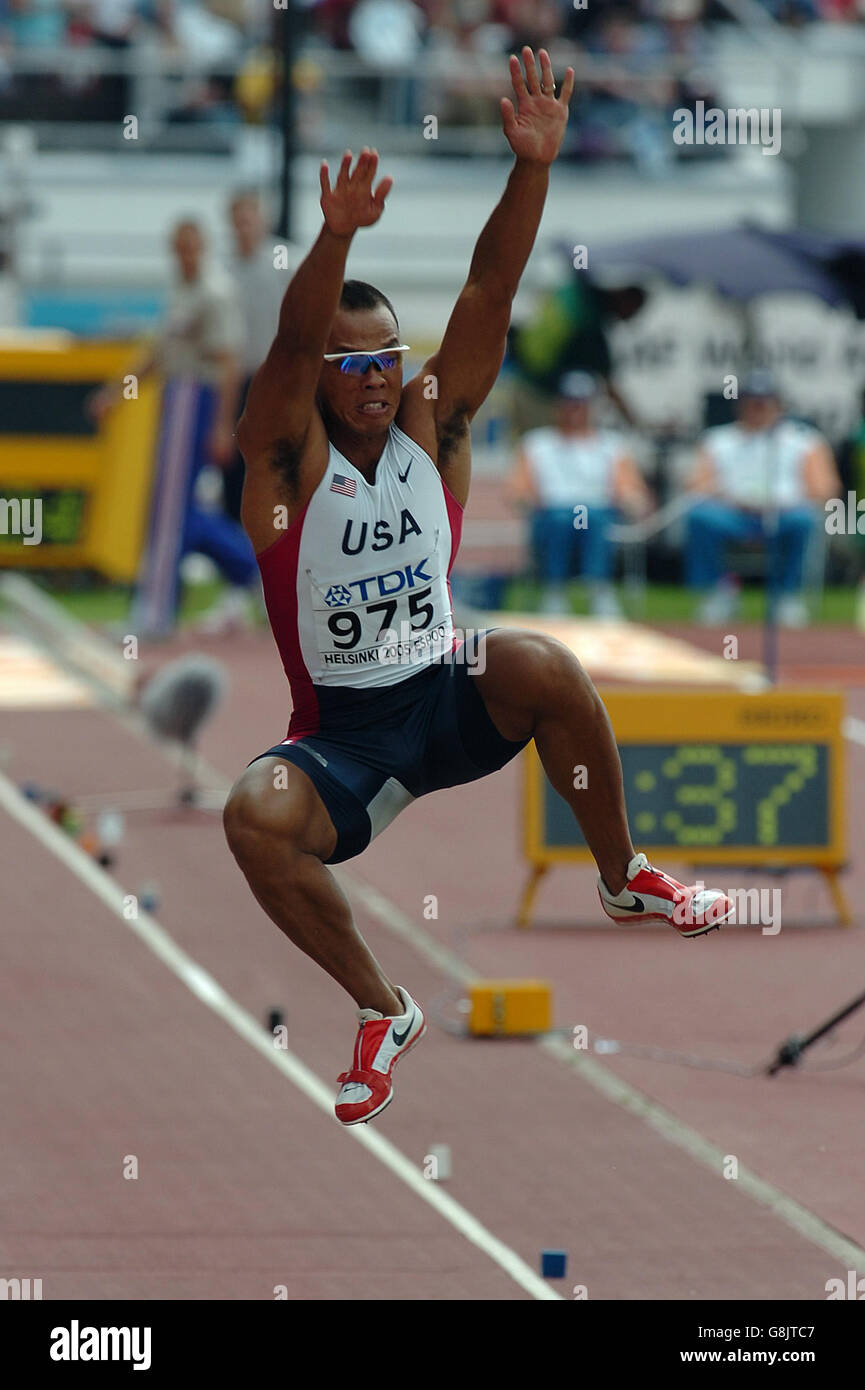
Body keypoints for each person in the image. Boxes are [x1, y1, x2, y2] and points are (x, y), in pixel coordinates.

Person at [222, 48, 732, 1129]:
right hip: (346, 741)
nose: (373, 378)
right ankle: (380, 1009)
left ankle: (622, 871)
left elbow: (489, 288)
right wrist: (335, 238)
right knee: (252, 815)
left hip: (445, 699)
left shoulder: (433, 427)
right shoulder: (281, 474)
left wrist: (532, 170)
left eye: (386, 359)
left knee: (542, 661)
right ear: (320, 378)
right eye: (350, 363)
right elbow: (286, 347)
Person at [89, 219, 260, 637]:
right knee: (180, 511)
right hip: (177, 395)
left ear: (203, 248)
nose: (186, 254)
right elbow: (160, 353)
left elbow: (229, 361)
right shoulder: (181, 291)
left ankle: (156, 611)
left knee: (169, 510)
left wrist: (223, 427)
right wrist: (117, 393)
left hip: (195, 397)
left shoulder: (214, 291)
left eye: (193, 247)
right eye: (179, 247)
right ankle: (257, 568)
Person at [685, 371, 840, 627]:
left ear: (778, 404)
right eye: (752, 401)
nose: (758, 408)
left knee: (804, 520)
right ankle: (718, 592)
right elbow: (696, 486)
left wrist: (785, 502)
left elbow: (826, 488)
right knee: (700, 517)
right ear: (740, 404)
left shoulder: (804, 440)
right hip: (732, 513)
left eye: (764, 402)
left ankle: (787, 596)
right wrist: (729, 497)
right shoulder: (718, 440)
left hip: (785, 513)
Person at [508, 370, 652, 617]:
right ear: (559, 405)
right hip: (552, 514)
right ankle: (555, 592)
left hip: (599, 513)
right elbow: (518, 491)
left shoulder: (612, 446)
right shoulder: (536, 444)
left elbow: (632, 489)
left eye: (582, 404)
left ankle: (599, 589)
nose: (575, 410)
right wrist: (527, 500)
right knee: (562, 520)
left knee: (593, 519)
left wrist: (632, 500)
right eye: (570, 403)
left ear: (592, 407)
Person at [222, 190, 302, 524]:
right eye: (238, 220)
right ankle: (240, 534)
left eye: (249, 219)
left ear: (262, 220)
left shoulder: (284, 261)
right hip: (237, 379)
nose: (244, 227)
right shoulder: (223, 268)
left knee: (280, 459)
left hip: (277, 380)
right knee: (237, 460)